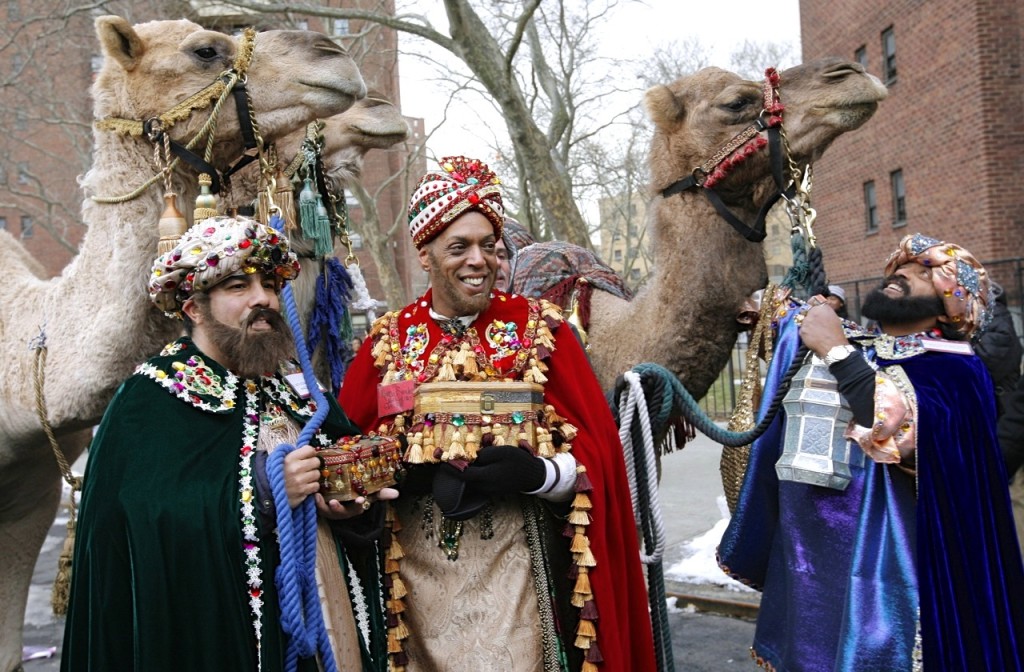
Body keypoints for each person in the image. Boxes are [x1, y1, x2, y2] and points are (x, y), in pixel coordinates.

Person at [338, 156, 657, 672]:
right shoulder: (386, 343)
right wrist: (397, 472)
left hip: (523, 581)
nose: (478, 260)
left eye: (489, 246)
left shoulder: (544, 330)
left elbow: (598, 458)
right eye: (459, 247)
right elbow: (348, 455)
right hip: (417, 591)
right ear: (424, 252)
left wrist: (539, 475)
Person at [61, 216, 393, 672]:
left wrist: (350, 504)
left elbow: (343, 455)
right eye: (238, 285)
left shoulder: (292, 383)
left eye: (269, 284)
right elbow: (138, 528)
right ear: (194, 308)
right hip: (215, 637)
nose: (263, 298)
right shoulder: (151, 396)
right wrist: (263, 488)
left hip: (323, 631)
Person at [719, 233, 1024, 671]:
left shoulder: (957, 368)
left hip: (884, 570)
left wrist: (835, 348)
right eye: (902, 267)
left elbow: (902, 430)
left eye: (923, 273)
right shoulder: (859, 344)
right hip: (811, 562)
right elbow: (773, 318)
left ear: (948, 305)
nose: (903, 272)